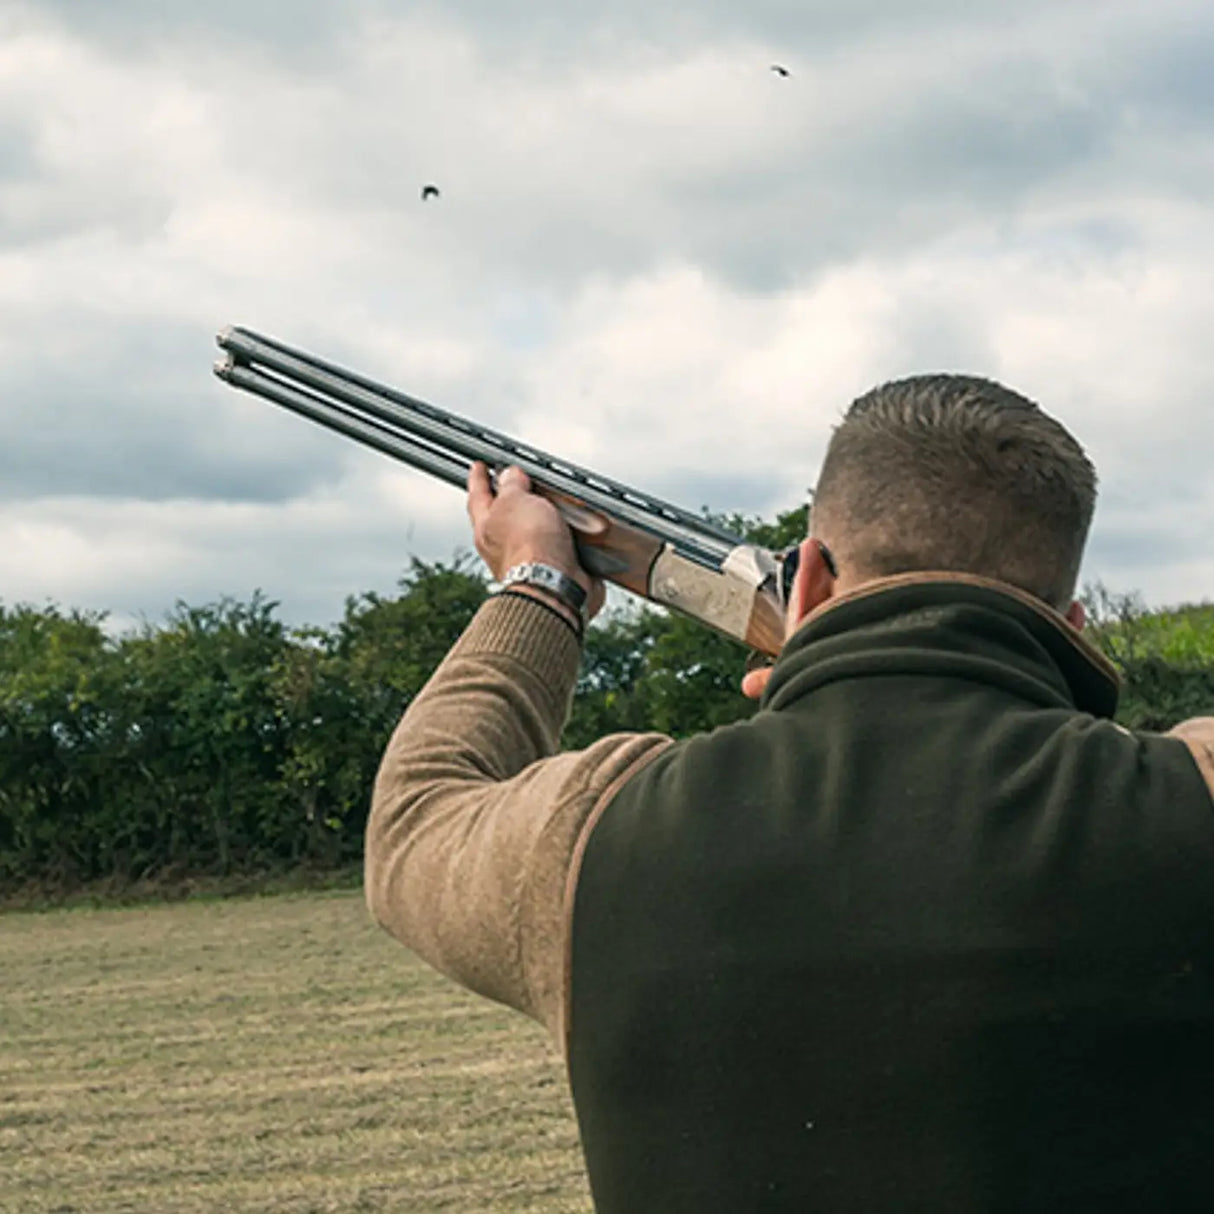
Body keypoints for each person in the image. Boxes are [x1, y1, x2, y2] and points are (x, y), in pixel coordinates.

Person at [364, 374, 1214, 1212]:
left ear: (806, 579)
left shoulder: (594, 832)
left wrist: (538, 583)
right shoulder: (1189, 797)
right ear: (1069, 626)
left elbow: (419, 813)